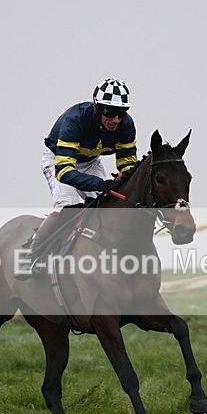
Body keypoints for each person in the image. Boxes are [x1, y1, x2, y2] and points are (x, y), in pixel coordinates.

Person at [16, 78, 138, 279]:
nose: (116, 120)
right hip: (59, 161)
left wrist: (124, 178)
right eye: (110, 112)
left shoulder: (126, 125)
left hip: (90, 162)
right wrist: (100, 183)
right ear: (97, 108)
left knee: (104, 205)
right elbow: (64, 172)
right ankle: (31, 256)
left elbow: (127, 165)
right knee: (68, 208)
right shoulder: (75, 119)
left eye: (121, 113)